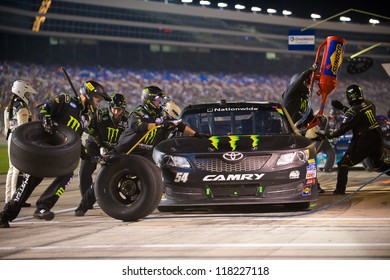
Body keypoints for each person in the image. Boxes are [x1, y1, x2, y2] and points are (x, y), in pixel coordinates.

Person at [74, 86, 207, 217]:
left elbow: (180, 125)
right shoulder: (138, 112)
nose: (159, 102)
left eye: (160, 100)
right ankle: (83, 206)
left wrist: (197, 135)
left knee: (154, 176)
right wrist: (159, 125)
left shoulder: (161, 113)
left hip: (145, 153)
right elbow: (137, 126)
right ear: (148, 100)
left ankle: (154, 201)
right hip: (125, 150)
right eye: (157, 100)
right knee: (102, 177)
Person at [0, 80, 111, 228]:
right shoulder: (65, 101)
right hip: (44, 150)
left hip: (58, 157)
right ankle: (5, 216)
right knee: (27, 186)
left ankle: (43, 207)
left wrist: (90, 157)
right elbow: (41, 109)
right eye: (98, 98)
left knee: (67, 173)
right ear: (88, 94)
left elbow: (75, 142)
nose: (98, 102)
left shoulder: (86, 118)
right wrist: (46, 118)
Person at [315, 84, 390, 194]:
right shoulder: (369, 104)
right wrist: (342, 108)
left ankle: (340, 191)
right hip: (377, 138)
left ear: (349, 97)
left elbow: (341, 130)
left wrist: (326, 135)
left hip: (364, 141)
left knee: (343, 164)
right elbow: (357, 114)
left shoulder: (352, 112)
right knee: (379, 165)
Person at [74, 93, 130, 216]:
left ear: (123, 109)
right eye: (114, 108)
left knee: (107, 174)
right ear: (110, 106)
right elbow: (90, 129)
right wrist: (100, 145)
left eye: (119, 109)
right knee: (85, 170)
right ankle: (86, 200)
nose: (116, 112)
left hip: (114, 148)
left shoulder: (127, 119)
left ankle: (99, 198)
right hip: (94, 144)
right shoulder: (100, 115)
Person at [282, 63, 325, 193]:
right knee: (292, 164)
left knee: (309, 160)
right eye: (306, 82)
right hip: (289, 134)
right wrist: (309, 70)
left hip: (300, 135)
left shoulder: (305, 100)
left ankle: (313, 185)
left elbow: (309, 118)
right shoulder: (290, 93)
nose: (308, 85)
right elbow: (298, 82)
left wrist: (318, 120)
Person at [3, 80, 37, 207]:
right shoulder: (22, 107)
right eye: (27, 93)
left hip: (12, 137)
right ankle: (14, 199)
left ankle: (9, 197)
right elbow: (23, 128)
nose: (28, 96)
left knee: (12, 169)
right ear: (21, 92)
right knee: (18, 169)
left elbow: (6, 127)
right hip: (19, 138)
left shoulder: (9, 107)